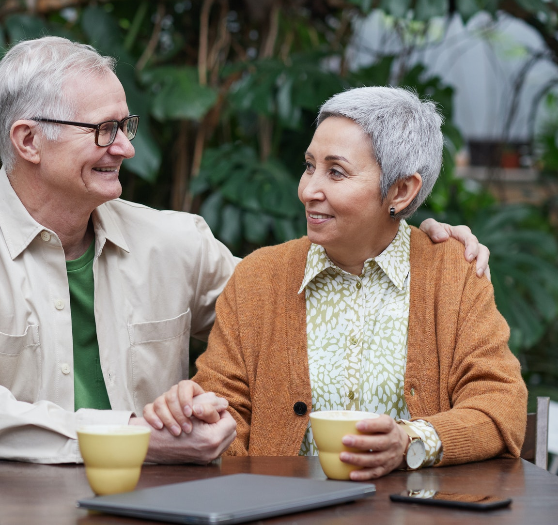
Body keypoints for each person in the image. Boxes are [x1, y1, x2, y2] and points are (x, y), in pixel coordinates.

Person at [0, 39, 490, 524]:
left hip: (149, 514)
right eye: (105, 130)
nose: (127, 148)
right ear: (28, 140)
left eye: (125, 125)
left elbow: (297, 305)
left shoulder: (173, 242)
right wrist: (134, 437)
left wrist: (405, 236)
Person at [143, 87, 527, 481]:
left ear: (401, 190)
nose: (308, 190)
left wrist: (411, 442)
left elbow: (501, 405)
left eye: (336, 172)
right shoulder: (259, 277)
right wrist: (197, 415)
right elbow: (223, 412)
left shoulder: (453, 274)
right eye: (309, 166)